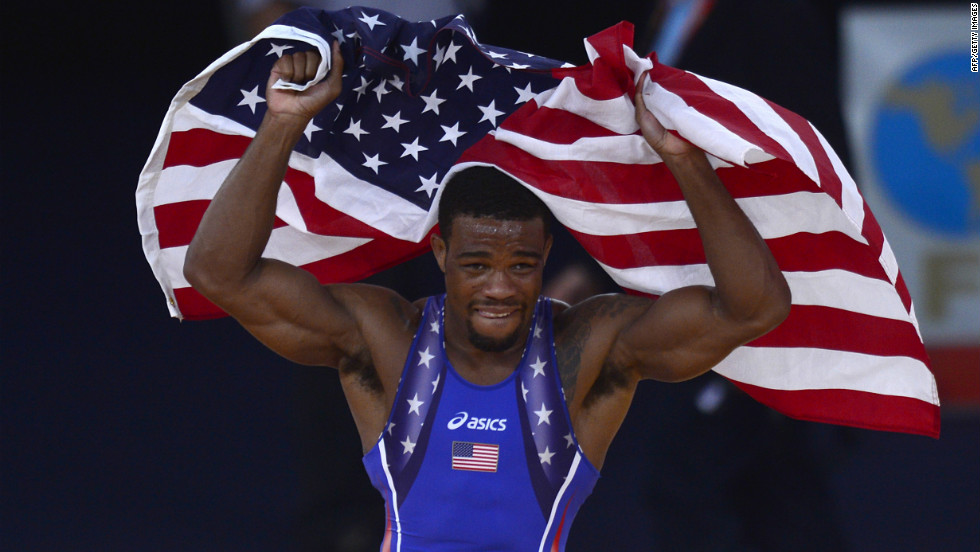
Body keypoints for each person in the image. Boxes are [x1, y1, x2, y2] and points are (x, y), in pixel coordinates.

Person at [182, 42, 792, 550]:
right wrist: (283, 123)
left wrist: (686, 162)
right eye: (477, 265)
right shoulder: (385, 338)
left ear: (546, 256)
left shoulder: (588, 346)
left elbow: (754, 307)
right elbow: (218, 275)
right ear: (441, 253)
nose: (499, 288)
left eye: (521, 265)